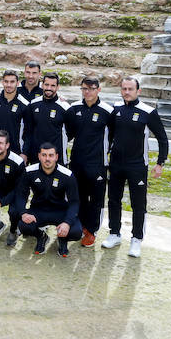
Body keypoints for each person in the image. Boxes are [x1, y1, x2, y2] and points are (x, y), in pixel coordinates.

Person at [102, 77, 169, 258]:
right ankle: (114, 234)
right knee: (113, 200)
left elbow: (162, 138)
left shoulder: (148, 112)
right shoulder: (116, 109)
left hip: (137, 165)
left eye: (130, 89)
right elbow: (109, 134)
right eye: (124, 88)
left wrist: (160, 163)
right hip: (116, 164)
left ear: (138, 91)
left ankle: (137, 239)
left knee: (138, 204)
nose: (126, 92)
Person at [64, 76, 112, 247]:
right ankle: (81, 226)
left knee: (97, 199)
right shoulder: (74, 108)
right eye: (85, 88)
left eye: (92, 89)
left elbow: (113, 137)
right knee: (79, 196)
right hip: (77, 162)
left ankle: (92, 231)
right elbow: (68, 132)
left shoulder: (108, 111)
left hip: (97, 164)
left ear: (98, 90)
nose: (88, 92)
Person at [15, 142, 82, 257]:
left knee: (76, 232)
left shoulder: (67, 175)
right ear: (39, 156)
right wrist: (23, 213)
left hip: (60, 211)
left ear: (56, 157)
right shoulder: (29, 171)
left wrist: (67, 223)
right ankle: (41, 236)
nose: (47, 159)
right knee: (23, 226)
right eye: (44, 155)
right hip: (38, 209)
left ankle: (62, 239)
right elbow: (21, 195)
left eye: (51, 155)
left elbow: (74, 202)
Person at [25, 72, 71, 165]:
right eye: (46, 84)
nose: (49, 88)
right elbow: (28, 130)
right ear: (42, 85)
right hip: (36, 156)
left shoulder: (66, 108)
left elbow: (71, 132)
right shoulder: (33, 104)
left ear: (57, 87)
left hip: (57, 157)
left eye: (53, 85)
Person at [0, 69, 30, 155]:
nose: (9, 85)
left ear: (17, 83)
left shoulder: (25, 105)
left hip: (15, 151)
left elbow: (29, 132)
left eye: (12, 82)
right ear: (2, 82)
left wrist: (25, 152)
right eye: (6, 81)